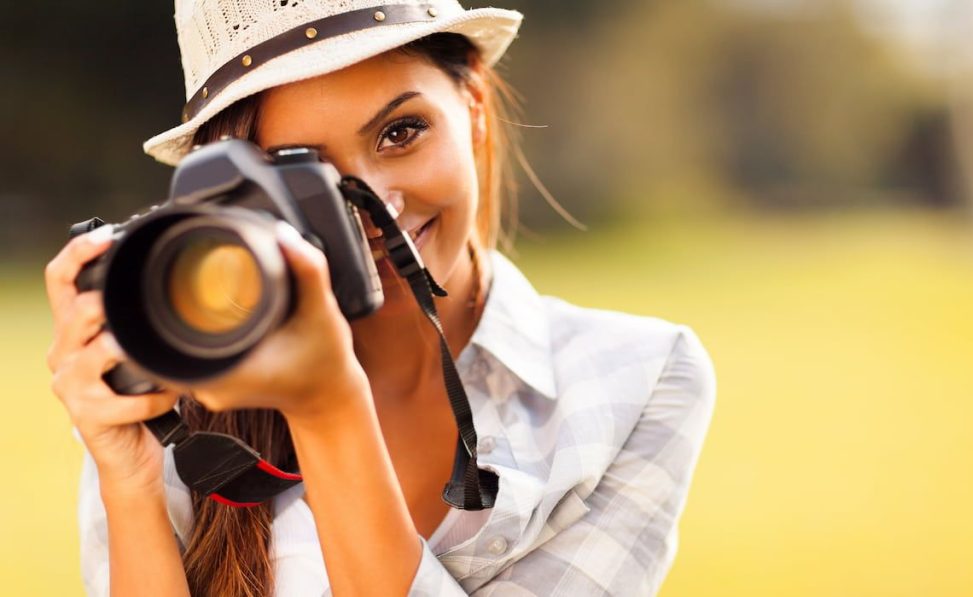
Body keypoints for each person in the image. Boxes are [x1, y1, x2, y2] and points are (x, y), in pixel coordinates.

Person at [44, 1, 716, 595]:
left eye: (401, 133)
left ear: (474, 109)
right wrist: (130, 480)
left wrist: (328, 406)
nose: (374, 210)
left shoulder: (640, 379)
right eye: (302, 171)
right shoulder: (181, 380)